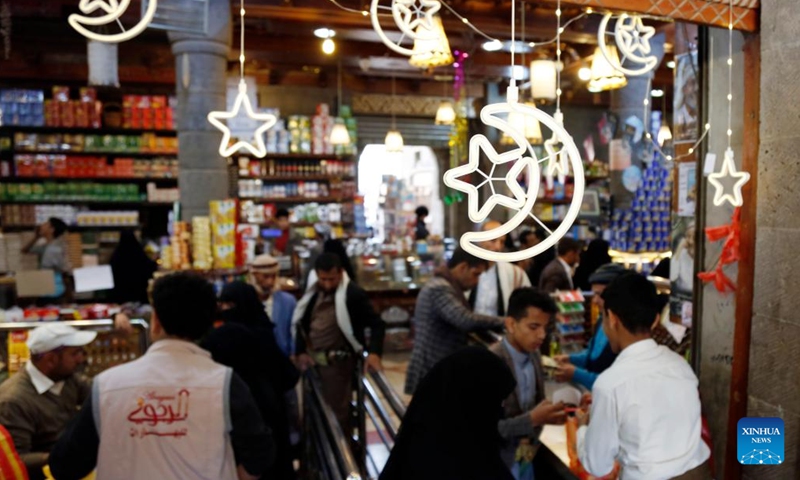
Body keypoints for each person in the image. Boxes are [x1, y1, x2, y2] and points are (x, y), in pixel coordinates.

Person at [49, 272, 274, 480]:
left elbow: (65, 465)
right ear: (208, 324)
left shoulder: (107, 385)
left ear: (155, 321)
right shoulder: (224, 383)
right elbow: (260, 455)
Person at [576, 273, 711, 479]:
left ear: (612, 318)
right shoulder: (680, 365)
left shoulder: (610, 385)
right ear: (656, 320)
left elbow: (597, 465)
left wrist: (583, 428)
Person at [203, 281, 299, 480]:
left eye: (231, 305)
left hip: (241, 422)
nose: (226, 310)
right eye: (223, 305)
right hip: (270, 417)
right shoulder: (263, 332)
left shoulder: (221, 337)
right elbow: (288, 375)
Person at [381, 347, 515, 480]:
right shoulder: (473, 464)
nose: (501, 411)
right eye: (498, 403)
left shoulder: (416, 448)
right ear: (476, 405)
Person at [293, 253, 385, 432]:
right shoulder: (313, 293)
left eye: (332, 279)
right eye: (323, 279)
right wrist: (300, 351)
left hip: (339, 367)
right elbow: (302, 323)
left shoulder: (353, 294)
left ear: (341, 273)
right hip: (314, 365)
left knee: (337, 418)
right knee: (316, 414)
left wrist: (374, 353)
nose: (327, 284)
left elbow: (377, 324)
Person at [0, 323, 95, 480]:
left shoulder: (67, 378)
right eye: (75, 353)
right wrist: (63, 456)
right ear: (51, 359)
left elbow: (99, 396)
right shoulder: (14, 400)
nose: (81, 359)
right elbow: (16, 459)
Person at [404, 248, 505, 395]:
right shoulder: (440, 288)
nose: (477, 281)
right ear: (463, 267)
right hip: (431, 369)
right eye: (476, 274)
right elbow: (464, 319)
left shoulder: (446, 286)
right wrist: (504, 321)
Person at [491, 288, 567, 480]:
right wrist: (532, 419)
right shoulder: (490, 363)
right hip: (497, 464)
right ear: (511, 324)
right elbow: (484, 430)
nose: (542, 335)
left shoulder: (534, 355)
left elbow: (536, 403)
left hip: (526, 458)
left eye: (545, 327)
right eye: (534, 327)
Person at [553, 263, 626, 389]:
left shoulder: (625, 330)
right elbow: (592, 354)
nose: (594, 301)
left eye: (599, 295)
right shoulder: (601, 320)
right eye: (594, 295)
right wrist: (569, 359)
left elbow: (615, 384)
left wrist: (575, 374)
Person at [469, 220, 532, 317]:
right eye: (493, 240)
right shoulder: (467, 270)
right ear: (480, 240)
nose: (498, 247)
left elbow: (528, 304)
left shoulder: (515, 273)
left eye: (502, 242)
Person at [248, 254, 298, 357]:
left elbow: (294, 332)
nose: (270, 281)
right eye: (265, 276)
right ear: (254, 276)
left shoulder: (288, 301)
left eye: (273, 276)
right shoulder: (247, 301)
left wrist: (293, 354)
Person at [21, 217, 70, 299]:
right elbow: (25, 250)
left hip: (52, 291)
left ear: (52, 230)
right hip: (47, 288)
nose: (41, 225)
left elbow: (47, 270)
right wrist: (36, 237)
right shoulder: (47, 246)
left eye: (46, 224)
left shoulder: (53, 249)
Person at [108, 230, 158, 304]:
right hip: (140, 293)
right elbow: (149, 268)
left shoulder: (117, 255)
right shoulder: (139, 253)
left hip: (121, 295)